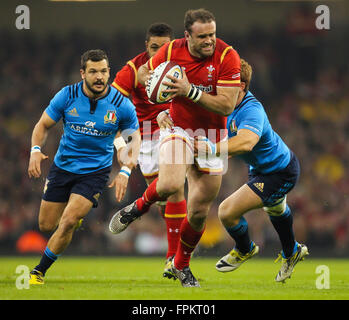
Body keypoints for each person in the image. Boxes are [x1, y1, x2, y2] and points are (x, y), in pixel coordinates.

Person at [109, 8, 241, 287]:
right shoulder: (170, 51)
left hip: (212, 136)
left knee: (199, 211)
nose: (209, 41)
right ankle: (137, 208)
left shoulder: (228, 56)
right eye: (202, 36)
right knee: (169, 185)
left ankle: (180, 265)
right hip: (177, 127)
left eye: (212, 35)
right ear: (187, 36)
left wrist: (188, 90)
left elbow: (227, 104)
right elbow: (146, 72)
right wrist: (160, 96)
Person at [27, 49, 141, 285]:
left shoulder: (122, 105)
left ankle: (38, 271)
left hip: (94, 172)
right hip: (62, 167)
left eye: (103, 71)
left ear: (109, 72)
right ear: (83, 73)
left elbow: (134, 139)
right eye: (93, 72)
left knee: (68, 220)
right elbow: (43, 125)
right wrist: (35, 151)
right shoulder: (67, 95)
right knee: (46, 225)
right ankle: (73, 220)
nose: (99, 77)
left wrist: (125, 171)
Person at [193, 58, 309, 282]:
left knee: (226, 211)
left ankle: (245, 248)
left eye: (225, 82)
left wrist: (211, 149)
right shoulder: (224, 106)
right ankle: (292, 251)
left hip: (280, 171)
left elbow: (246, 142)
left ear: (241, 86)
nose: (219, 87)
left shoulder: (251, 109)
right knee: (275, 210)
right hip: (259, 169)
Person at [111, 23, 186, 279]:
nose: (158, 53)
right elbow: (110, 108)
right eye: (154, 47)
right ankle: (141, 208)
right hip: (145, 139)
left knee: (175, 189)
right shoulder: (132, 69)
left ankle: (172, 260)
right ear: (146, 45)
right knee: (164, 200)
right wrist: (123, 145)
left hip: (176, 129)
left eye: (164, 48)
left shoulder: (182, 64)